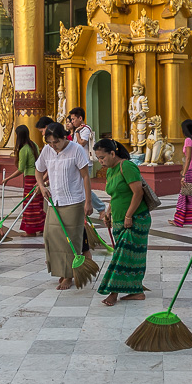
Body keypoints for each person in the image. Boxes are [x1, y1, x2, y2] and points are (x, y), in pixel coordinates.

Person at [35, 122, 93, 291]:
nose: (53, 146)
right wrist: (41, 186)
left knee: (70, 239)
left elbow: (85, 177)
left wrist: (88, 202)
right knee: (51, 235)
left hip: (74, 201)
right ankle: (60, 269)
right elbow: (38, 170)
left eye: (56, 142)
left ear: (63, 138)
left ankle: (69, 274)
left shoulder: (76, 150)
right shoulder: (47, 150)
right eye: (50, 143)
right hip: (55, 200)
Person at [96, 139, 149, 305]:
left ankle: (113, 292)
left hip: (135, 219)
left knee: (121, 257)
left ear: (113, 153)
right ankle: (137, 291)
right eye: (98, 158)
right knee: (130, 257)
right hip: (119, 219)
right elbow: (115, 195)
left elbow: (138, 192)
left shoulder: (126, 166)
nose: (101, 161)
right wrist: (108, 214)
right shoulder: (111, 170)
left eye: (103, 157)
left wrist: (128, 216)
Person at [3, 125, 44, 237]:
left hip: (30, 179)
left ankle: (30, 231)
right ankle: (41, 227)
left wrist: (8, 178)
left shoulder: (23, 149)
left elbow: (21, 169)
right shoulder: (34, 145)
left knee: (29, 205)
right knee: (37, 203)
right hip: (38, 177)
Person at [67, 108, 106, 215]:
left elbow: (82, 143)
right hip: (77, 163)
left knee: (85, 189)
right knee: (79, 187)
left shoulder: (85, 129)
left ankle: (101, 207)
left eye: (74, 119)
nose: (72, 121)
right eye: (71, 119)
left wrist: (78, 133)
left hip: (85, 163)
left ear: (80, 118)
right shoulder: (77, 130)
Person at [171, 119, 192, 227]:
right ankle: (180, 220)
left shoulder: (188, 140)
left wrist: (183, 175)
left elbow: (188, 158)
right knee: (185, 195)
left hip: (191, 171)